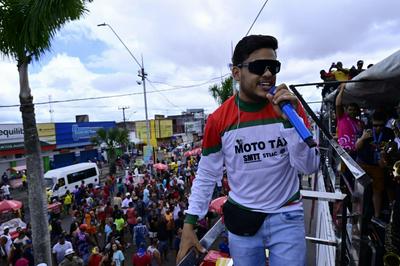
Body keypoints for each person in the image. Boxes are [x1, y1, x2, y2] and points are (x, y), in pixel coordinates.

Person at [176, 35, 319, 266]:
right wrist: (189, 225)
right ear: (236, 73)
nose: (268, 74)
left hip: (287, 215)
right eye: (258, 67)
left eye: (273, 67)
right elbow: (206, 174)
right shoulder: (218, 120)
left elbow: (310, 166)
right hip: (243, 221)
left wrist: (289, 123)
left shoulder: (290, 108)